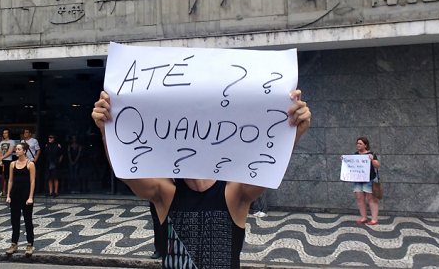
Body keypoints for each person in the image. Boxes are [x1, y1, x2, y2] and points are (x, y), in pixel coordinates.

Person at [92, 89, 311, 268]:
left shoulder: (233, 194)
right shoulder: (167, 193)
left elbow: (267, 170)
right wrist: (107, 129)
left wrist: (294, 131)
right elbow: (125, 173)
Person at [6, 142, 36, 257]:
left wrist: (30, 197)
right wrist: (8, 195)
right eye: (16, 149)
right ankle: (14, 243)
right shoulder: (12, 164)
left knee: (28, 220)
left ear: (24, 151)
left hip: (26, 194)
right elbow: (10, 180)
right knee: (14, 220)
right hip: (15, 194)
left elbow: (32, 181)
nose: (16, 151)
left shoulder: (30, 164)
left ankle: (29, 243)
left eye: (18, 149)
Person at [343, 137, 380, 226]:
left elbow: (377, 166)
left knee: (371, 198)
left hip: (369, 179)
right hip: (358, 179)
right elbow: (350, 164)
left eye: (360, 144)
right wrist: (344, 159)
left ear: (365, 145)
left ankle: (374, 219)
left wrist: (372, 159)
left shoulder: (371, 154)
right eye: (357, 143)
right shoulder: (356, 154)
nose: (358, 145)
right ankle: (364, 218)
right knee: (359, 198)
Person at [0, 129, 17, 198]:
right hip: (2, 160)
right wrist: (0, 160)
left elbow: (10, 152)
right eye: (3, 133)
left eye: (5, 133)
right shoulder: (1, 142)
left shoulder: (12, 142)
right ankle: (3, 191)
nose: (4, 134)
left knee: (9, 176)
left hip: (8, 160)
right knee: (3, 176)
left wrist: (2, 158)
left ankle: (10, 191)